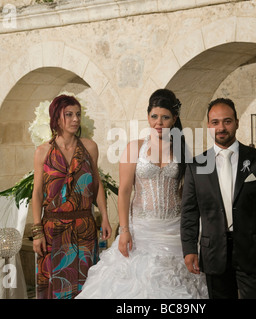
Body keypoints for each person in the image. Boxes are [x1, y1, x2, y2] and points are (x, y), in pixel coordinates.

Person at [76, 89, 208, 299]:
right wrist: (125, 229)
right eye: (154, 116)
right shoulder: (134, 148)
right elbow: (125, 191)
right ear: (148, 117)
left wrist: (193, 229)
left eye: (165, 117)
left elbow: (187, 193)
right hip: (141, 231)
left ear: (174, 119)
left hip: (174, 230)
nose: (159, 123)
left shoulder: (182, 150)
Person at [181, 98, 256, 299]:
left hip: (253, 252)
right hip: (213, 253)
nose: (221, 127)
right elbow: (189, 213)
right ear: (209, 126)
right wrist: (189, 249)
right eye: (215, 122)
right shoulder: (196, 166)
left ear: (237, 122)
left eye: (227, 121)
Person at [32, 94, 111, 299]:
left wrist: (105, 218)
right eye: (68, 114)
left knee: (87, 285)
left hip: (84, 226)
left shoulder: (89, 147)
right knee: (54, 286)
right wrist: (37, 231)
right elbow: (38, 192)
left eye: (77, 114)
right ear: (56, 118)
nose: (75, 119)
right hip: (53, 231)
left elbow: (96, 184)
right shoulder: (43, 151)